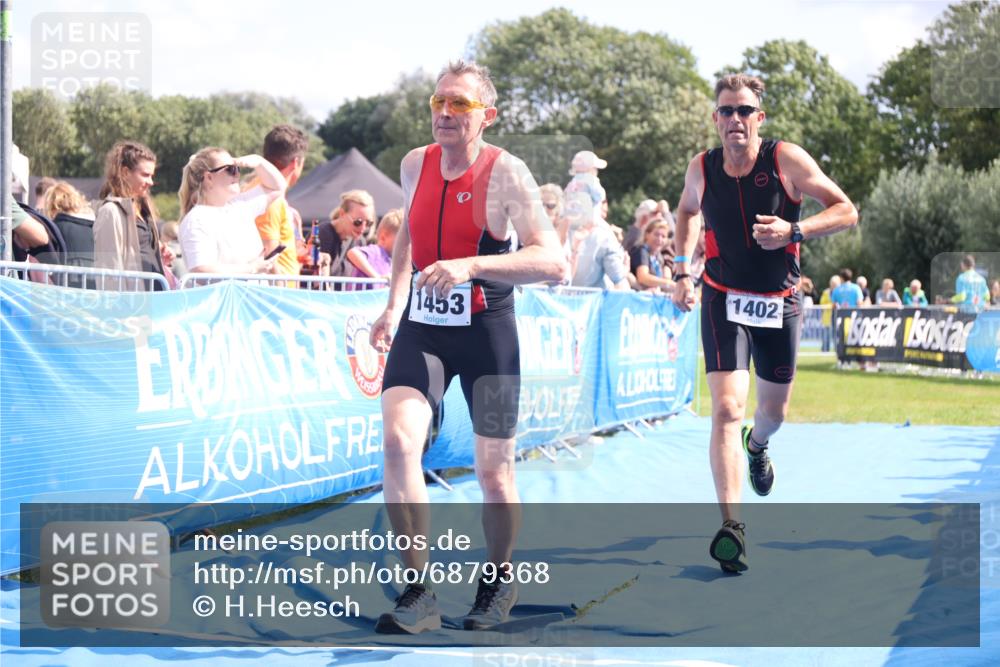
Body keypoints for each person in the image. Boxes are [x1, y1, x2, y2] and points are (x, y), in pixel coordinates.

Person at [369, 59, 566, 634]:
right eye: (438, 102)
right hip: (423, 328)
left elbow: (552, 260)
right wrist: (391, 304)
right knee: (398, 442)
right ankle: (418, 590)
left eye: (460, 104)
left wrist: (471, 264)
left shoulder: (509, 174)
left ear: (487, 116)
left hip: (489, 334)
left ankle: (499, 577)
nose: (445, 113)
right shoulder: (414, 164)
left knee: (494, 470)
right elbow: (408, 230)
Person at [671, 73, 858, 573]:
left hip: (779, 301)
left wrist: (794, 229)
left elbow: (846, 210)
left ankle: (760, 445)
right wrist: (680, 267)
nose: (735, 119)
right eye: (726, 110)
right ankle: (732, 527)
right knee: (726, 409)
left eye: (745, 110)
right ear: (715, 119)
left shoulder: (785, 160)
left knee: (771, 414)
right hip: (721, 296)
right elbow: (687, 211)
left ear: (760, 117)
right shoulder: (701, 167)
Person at [177, 147, 286, 275]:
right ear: (209, 177)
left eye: (237, 168)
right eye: (230, 169)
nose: (237, 174)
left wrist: (259, 162)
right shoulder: (196, 219)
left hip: (249, 293)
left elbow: (278, 187)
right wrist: (252, 268)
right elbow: (201, 271)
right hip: (224, 295)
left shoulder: (240, 205)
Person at [93, 141, 169, 290]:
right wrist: (121, 308)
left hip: (154, 298)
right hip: (132, 304)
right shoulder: (110, 212)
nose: (151, 182)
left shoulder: (144, 209)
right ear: (125, 172)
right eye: (145, 175)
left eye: (152, 176)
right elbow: (110, 269)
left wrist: (158, 253)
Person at [254, 124, 308, 281]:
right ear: (295, 163)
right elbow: (269, 255)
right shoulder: (271, 198)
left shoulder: (261, 190)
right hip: (276, 297)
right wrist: (284, 292)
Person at [316, 190, 375, 281]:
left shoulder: (360, 241)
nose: (363, 228)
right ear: (342, 214)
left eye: (368, 223)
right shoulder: (323, 234)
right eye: (358, 222)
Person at [42, 181, 95, 270]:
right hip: (94, 281)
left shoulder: (55, 228)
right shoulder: (93, 226)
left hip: (65, 281)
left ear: (51, 206)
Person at [345, 208, 401, 289]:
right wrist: (376, 277)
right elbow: (353, 253)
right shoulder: (377, 251)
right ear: (383, 237)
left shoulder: (391, 261)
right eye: (400, 239)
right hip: (358, 300)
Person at [629, 220, 673, 293]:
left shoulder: (658, 257)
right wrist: (668, 284)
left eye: (663, 236)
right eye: (656, 234)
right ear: (647, 234)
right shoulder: (641, 250)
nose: (660, 239)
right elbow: (643, 277)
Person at [819, 275, 841, 352]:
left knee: (836, 335)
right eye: (832, 284)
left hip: (837, 317)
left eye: (835, 284)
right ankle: (825, 350)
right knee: (826, 335)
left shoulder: (840, 292)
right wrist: (831, 306)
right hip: (827, 317)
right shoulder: (826, 292)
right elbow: (822, 304)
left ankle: (837, 350)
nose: (833, 285)